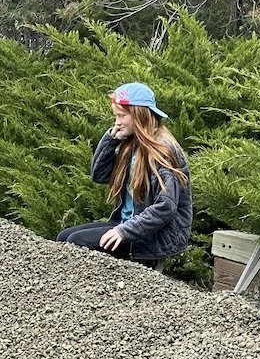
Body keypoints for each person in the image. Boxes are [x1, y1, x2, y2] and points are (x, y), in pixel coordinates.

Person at [57, 82, 192, 264]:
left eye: (121, 116)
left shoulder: (163, 150)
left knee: (77, 242)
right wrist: (111, 140)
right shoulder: (131, 142)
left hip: (150, 236)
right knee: (64, 237)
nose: (117, 122)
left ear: (139, 114)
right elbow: (99, 175)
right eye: (116, 116)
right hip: (127, 225)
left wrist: (123, 231)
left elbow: (165, 207)